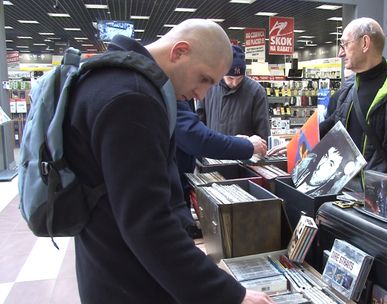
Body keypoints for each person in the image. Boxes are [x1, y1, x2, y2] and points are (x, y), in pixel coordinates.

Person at [63, 19, 272, 303]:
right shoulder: (133, 98)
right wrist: (230, 294)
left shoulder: (110, 78)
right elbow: (148, 224)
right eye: (205, 79)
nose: (202, 94)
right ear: (179, 52)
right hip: (132, 283)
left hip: (109, 270)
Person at [321, 17, 387, 210]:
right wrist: (299, 140)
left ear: (365, 43)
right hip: (346, 189)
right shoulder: (350, 86)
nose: (341, 53)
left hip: (380, 194)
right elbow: (335, 122)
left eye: (345, 44)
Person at [174, 98, 267, 238]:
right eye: (206, 80)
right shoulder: (169, 92)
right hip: (172, 192)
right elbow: (196, 137)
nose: (201, 95)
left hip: (180, 184)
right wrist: (246, 145)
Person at [197, 45, 270, 140]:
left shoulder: (256, 91)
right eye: (230, 78)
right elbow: (199, 122)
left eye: (239, 78)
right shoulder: (208, 87)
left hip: (245, 153)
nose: (235, 83)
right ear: (222, 72)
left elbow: (262, 130)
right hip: (212, 152)